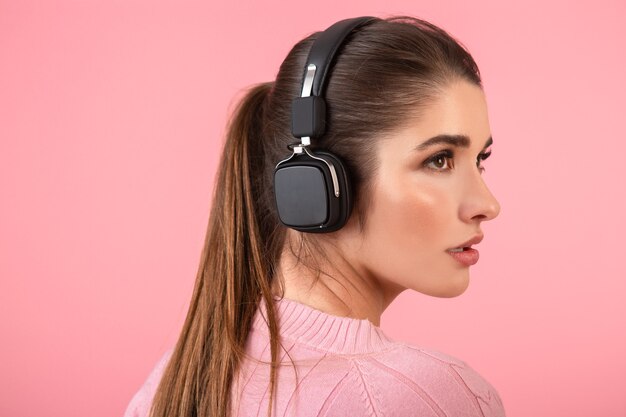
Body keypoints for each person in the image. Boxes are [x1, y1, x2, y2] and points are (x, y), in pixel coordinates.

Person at [124, 15, 506, 417]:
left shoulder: (177, 378)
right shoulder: (427, 395)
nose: (487, 204)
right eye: (439, 160)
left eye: (480, 160)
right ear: (321, 182)